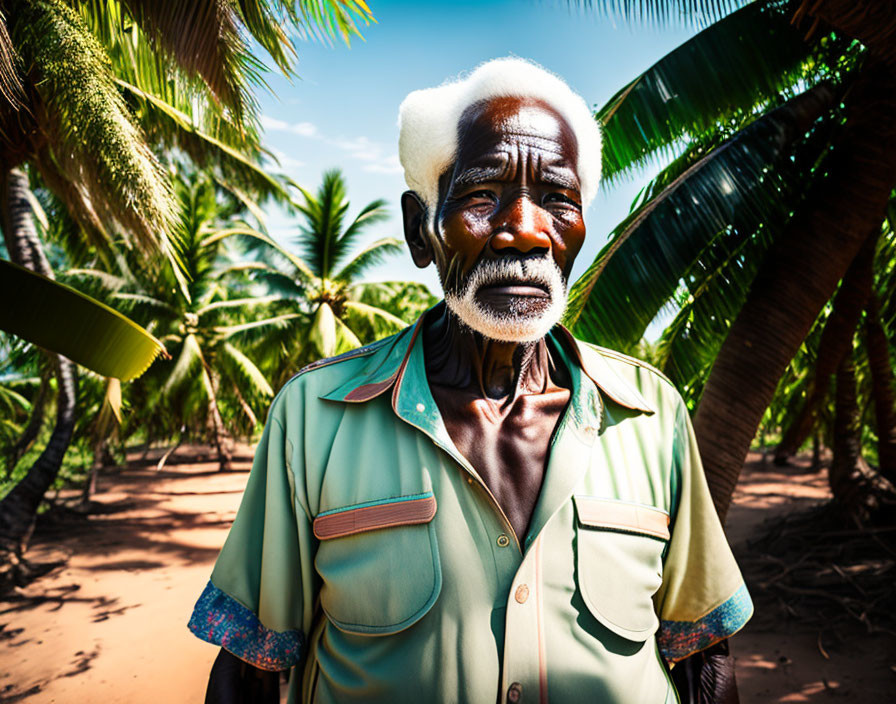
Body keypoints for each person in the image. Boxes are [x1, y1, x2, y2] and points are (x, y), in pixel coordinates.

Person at [189, 58, 752, 704]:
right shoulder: (315, 417)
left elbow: (704, 660)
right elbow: (249, 671)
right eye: (483, 196)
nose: (525, 230)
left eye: (557, 200)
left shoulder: (652, 416)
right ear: (419, 231)